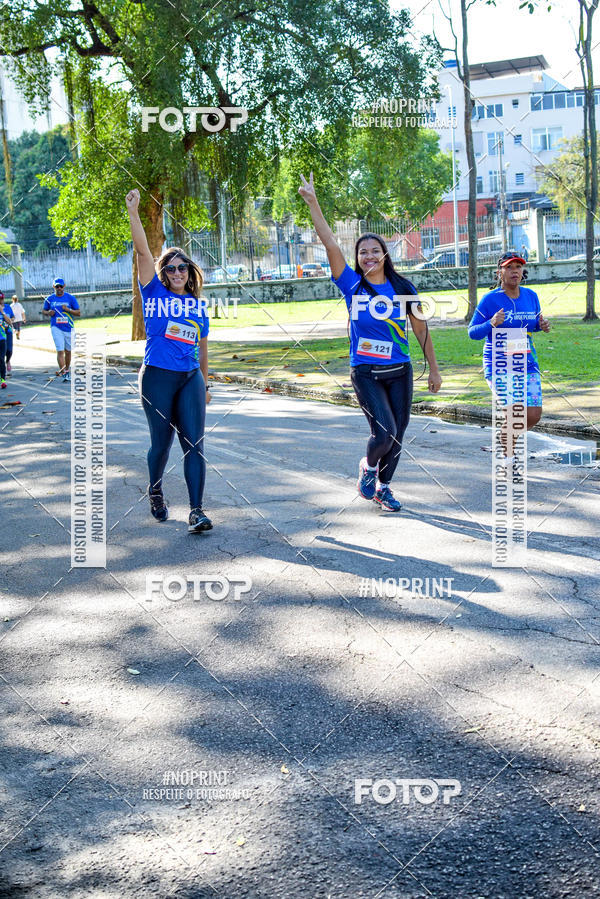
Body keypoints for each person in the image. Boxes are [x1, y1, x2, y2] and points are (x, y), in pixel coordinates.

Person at [298, 172, 442, 512]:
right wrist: (313, 202)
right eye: (363, 252)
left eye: (375, 251)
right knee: (385, 432)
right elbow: (330, 243)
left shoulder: (403, 288)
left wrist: (434, 369)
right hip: (366, 372)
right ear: (358, 257)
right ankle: (369, 466)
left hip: (400, 371)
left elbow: (421, 330)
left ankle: (383, 488)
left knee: (398, 434)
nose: (369, 256)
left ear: (385, 254)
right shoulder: (351, 284)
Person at [126, 188, 212, 533]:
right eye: (171, 268)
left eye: (183, 267)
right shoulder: (152, 292)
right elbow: (142, 251)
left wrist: (205, 383)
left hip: (190, 378)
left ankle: (196, 511)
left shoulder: (199, 307)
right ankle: (156, 490)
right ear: (164, 272)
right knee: (161, 443)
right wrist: (134, 212)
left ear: (190, 272)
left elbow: (202, 349)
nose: (177, 272)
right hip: (157, 378)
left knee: (194, 444)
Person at [468, 251, 550, 463]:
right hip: (499, 365)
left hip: (527, 364)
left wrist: (541, 325)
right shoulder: (490, 300)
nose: (515, 271)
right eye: (509, 267)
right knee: (514, 414)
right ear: (499, 273)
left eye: (518, 267)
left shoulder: (531, 296)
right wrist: (491, 323)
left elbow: (533, 324)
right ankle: (508, 459)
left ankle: (505, 437)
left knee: (533, 415)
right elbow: (472, 332)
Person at [42, 278, 80, 382]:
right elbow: (44, 311)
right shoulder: (49, 299)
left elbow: (78, 312)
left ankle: (67, 369)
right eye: (57, 286)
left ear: (64, 286)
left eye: (61, 286)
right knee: (60, 350)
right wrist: (48, 313)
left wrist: (68, 310)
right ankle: (64, 373)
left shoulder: (70, 298)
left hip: (68, 327)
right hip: (56, 327)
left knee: (68, 351)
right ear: (53, 287)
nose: (59, 288)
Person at [1, 294, 14, 375]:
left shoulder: (7, 307)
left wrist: (9, 320)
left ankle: (8, 360)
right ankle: (2, 370)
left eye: (2, 298)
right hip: (1, 333)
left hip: (8, 331)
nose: (1, 300)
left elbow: (12, 317)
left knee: (9, 350)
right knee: (2, 352)